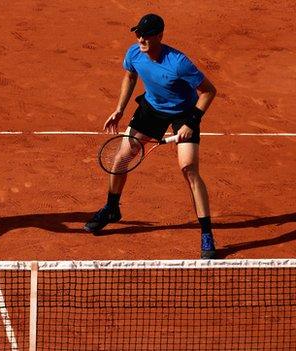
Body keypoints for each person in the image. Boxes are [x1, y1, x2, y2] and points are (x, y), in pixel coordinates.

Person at [84, 14, 218, 259]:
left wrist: (191, 121)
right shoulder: (134, 54)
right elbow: (130, 76)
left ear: (159, 36)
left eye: (146, 35)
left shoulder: (178, 62)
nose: (141, 39)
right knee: (121, 159)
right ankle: (112, 209)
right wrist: (120, 109)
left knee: (188, 168)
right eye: (138, 34)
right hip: (151, 109)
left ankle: (207, 233)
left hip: (183, 113)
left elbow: (209, 91)